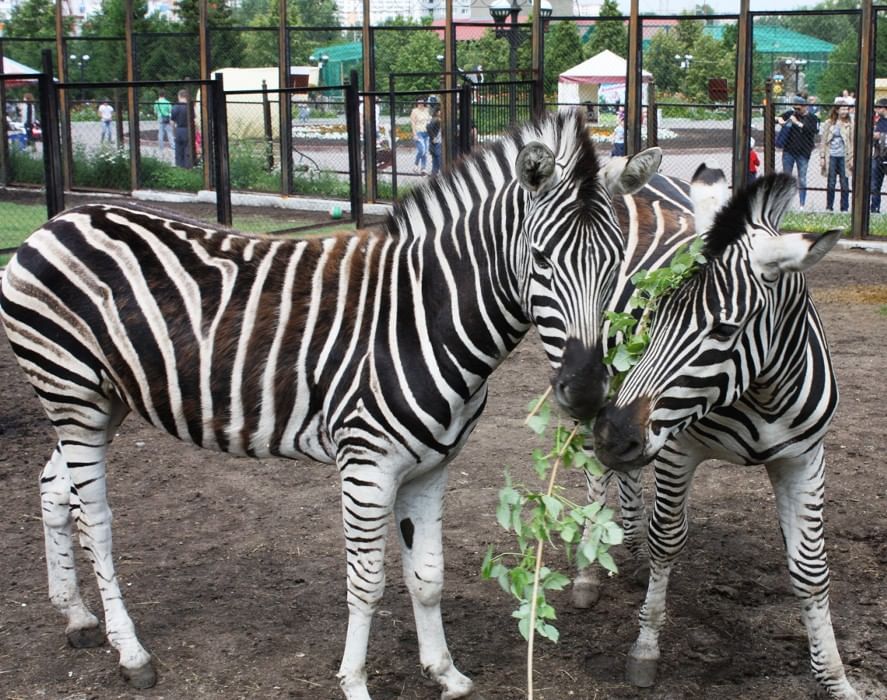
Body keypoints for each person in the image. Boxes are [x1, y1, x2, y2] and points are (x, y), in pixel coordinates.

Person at [777, 95, 819, 208]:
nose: (796, 111)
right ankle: (785, 203)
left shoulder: (812, 118)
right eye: (794, 108)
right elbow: (778, 118)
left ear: (805, 107)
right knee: (787, 177)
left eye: (798, 108)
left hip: (803, 152)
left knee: (802, 178)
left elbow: (813, 130)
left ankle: (802, 204)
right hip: (789, 151)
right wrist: (781, 120)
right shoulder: (791, 114)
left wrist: (797, 123)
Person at [819, 99, 853, 212]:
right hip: (831, 155)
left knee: (844, 183)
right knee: (831, 182)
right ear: (837, 110)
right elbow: (823, 141)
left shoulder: (850, 124)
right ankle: (829, 207)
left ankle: (844, 208)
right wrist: (822, 156)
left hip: (844, 156)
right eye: (842, 109)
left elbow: (853, 141)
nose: (845, 111)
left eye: (846, 109)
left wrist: (852, 158)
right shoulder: (829, 123)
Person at [871, 98, 887, 213]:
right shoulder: (879, 120)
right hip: (878, 156)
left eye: (878, 107)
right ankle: (875, 208)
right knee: (875, 184)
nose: (876, 109)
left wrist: (880, 135)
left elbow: (877, 135)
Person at [171, 89, 192, 168]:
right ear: (187, 97)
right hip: (188, 130)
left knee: (178, 152)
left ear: (179, 96)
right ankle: (188, 168)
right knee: (187, 151)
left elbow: (172, 122)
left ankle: (179, 168)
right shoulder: (190, 107)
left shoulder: (175, 107)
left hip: (179, 130)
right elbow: (194, 121)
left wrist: (174, 132)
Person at [409, 97, 430, 175]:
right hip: (419, 132)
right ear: (417, 103)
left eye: (422, 102)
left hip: (426, 133)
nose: (420, 104)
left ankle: (423, 168)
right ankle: (416, 164)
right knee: (422, 150)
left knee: (425, 152)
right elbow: (413, 123)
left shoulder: (427, 110)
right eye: (419, 103)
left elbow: (429, 120)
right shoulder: (414, 111)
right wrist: (414, 134)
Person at [427, 105, 442, 175]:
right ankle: (441, 173)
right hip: (437, 142)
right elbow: (428, 127)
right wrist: (433, 138)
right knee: (439, 157)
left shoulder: (437, 119)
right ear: (437, 112)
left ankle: (434, 173)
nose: (441, 112)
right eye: (440, 111)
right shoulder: (436, 119)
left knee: (435, 158)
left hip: (436, 142)